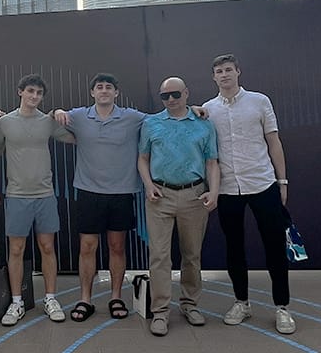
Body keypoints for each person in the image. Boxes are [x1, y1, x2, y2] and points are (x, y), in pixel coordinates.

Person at [203, 54, 296, 335]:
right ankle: (241, 302)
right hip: (229, 189)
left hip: (263, 183)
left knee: (274, 248)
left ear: (238, 72)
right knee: (234, 249)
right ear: (214, 77)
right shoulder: (208, 109)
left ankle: (282, 307)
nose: (224, 75)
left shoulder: (259, 101)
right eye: (218, 71)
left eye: (228, 69)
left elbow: (274, 142)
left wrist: (282, 181)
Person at [53, 73, 144, 322]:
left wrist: (196, 110)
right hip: (88, 192)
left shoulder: (132, 118)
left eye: (109, 87)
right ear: (92, 92)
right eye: (99, 87)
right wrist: (56, 111)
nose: (104, 91)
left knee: (117, 247)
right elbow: (48, 119)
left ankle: (116, 297)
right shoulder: (80, 116)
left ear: (116, 93)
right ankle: (85, 299)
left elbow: (164, 121)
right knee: (87, 248)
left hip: (121, 193)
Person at [0, 74, 75, 326]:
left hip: (45, 194)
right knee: (16, 249)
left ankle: (50, 298)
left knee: (47, 247)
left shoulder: (48, 121)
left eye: (39, 93)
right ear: (20, 92)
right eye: (30, 91)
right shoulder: (5, 122)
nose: (34, 96)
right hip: (16, 196)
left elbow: (73, 137)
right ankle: (17, 302)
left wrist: (60, 113)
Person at [137, 77, 219, 336]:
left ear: (186, 93)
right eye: (165, 96)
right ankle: (160, 311)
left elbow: (212, 162)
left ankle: (190, 304)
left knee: (191, 255)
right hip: (159, 196)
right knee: (159, 256)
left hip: (194, 196)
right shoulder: (151, 124)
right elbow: (142, 159)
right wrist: (148, 184)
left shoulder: (204, 124)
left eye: (175, 94)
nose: (171, 100)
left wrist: (214, 191)